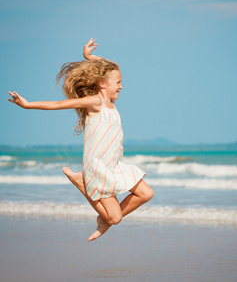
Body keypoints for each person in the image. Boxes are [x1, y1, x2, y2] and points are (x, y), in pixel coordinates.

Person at [8, 38, 154, 242]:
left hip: (114, 164)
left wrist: (89, 57)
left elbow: (111, 67)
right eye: (118, 83)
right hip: (99, 167)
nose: (122, 86)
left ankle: (105, 220)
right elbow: (60, 104)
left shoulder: (110, 101)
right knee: (115, 218)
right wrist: (28, 105)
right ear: (102, 84)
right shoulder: (96, 102)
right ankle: (83, 186)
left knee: (146, 194)